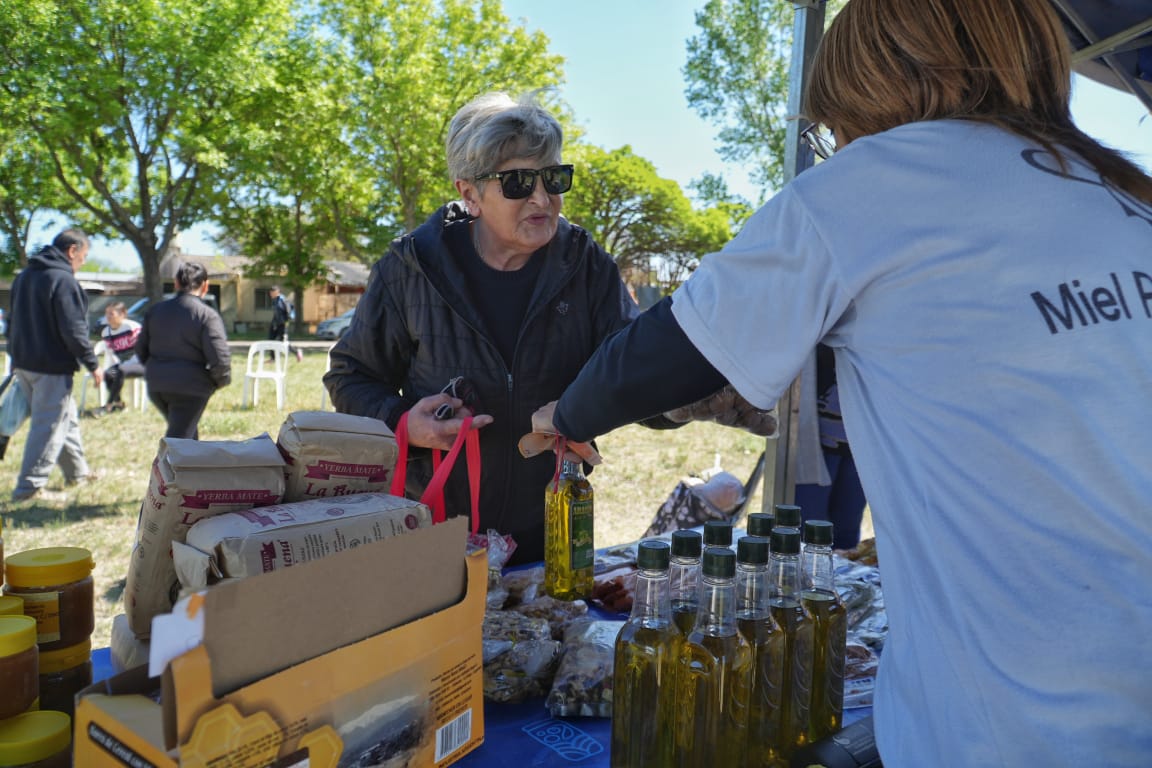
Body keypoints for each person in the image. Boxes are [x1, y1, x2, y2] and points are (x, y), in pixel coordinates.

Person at [546, 1, 1152, 765]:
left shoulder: (887, 178)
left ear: (877, 83)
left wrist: (564, 411)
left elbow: (663, 352)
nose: (835, 142)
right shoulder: (1119, 193)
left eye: (832, 124)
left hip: (1016, 722)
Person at [323, 91, 672, 565]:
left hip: (549, 533)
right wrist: (405, 422)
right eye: (518, 183)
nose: (543, 198)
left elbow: (638, 371)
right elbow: (350, 375)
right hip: (434, 533)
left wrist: (686, 396)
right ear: (469, 193)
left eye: (554, 177)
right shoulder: (411, 267)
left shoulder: (586, 266)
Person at [8, 228, 102, 502]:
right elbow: (74, 330)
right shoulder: (62, 280)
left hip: (25, 363)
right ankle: (29, 488)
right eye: (83, 257)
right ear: (72, 250)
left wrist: (14, 359)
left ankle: (78, 473)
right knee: (48, 426)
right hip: (51, 367)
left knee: (66, 419)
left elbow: (12, 323)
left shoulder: (24, 277)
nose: (82, 263)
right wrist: (92, 363)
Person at [137, 262, 231, 439]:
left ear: (176, 283)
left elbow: (141, 350)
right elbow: (220, 357)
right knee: (180, 440)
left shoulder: (155, 311)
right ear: (205, 286)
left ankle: (191, 463)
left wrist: (156, 370)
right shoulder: (207, 315)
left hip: (157, 385)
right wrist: (220, 381)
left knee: (185, 431)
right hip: (191, 387)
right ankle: (167, 466)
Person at [793, 344, 867, 550]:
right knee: (807, 531)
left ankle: (843, 579)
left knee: (847, 531)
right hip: (813, 441)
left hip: (859, 443)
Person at [99, 301, 145, 413]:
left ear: (122, 314)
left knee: (121, 370)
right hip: (124, 365)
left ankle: (108, 404)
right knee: (108, 374)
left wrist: (127, 364)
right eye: (107, 314)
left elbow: (143, 351)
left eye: (111, 314)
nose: (108, 317)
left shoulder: (132, 327)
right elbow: (111, 354)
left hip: (141, 363)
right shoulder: (106, 332)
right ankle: (119, 404)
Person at [268, 285, 304, 363]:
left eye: (272, 292)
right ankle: (273, 358)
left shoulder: (283, 300)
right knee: (271, 339)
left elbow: (288, 313)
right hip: (275, 324)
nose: (270, 294)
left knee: (283, 343)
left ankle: (297, 352)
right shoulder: (275, 300)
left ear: (277, 292)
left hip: (282, 325)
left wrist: (286, 323)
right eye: (270, 293)